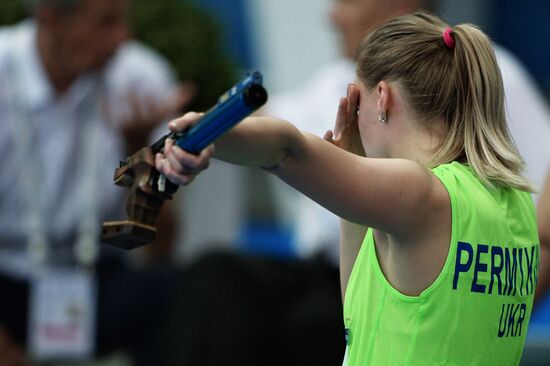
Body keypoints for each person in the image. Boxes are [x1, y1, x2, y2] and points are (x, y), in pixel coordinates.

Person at [158, 11, 540, 365]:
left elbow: (287, 148)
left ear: (383, 99)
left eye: (356, 98)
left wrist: (203, 133)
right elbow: (362, 316)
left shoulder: (422, 194)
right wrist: (353, 166)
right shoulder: (516, 202)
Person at [0, 0, 192, 364]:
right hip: (6, 272)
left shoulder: (140, 78)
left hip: (86, 273)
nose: (123, 38)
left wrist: (139, 158)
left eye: (125, 20)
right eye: (107, 23)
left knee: (174, 289)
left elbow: (161, 248)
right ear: (50, 19)